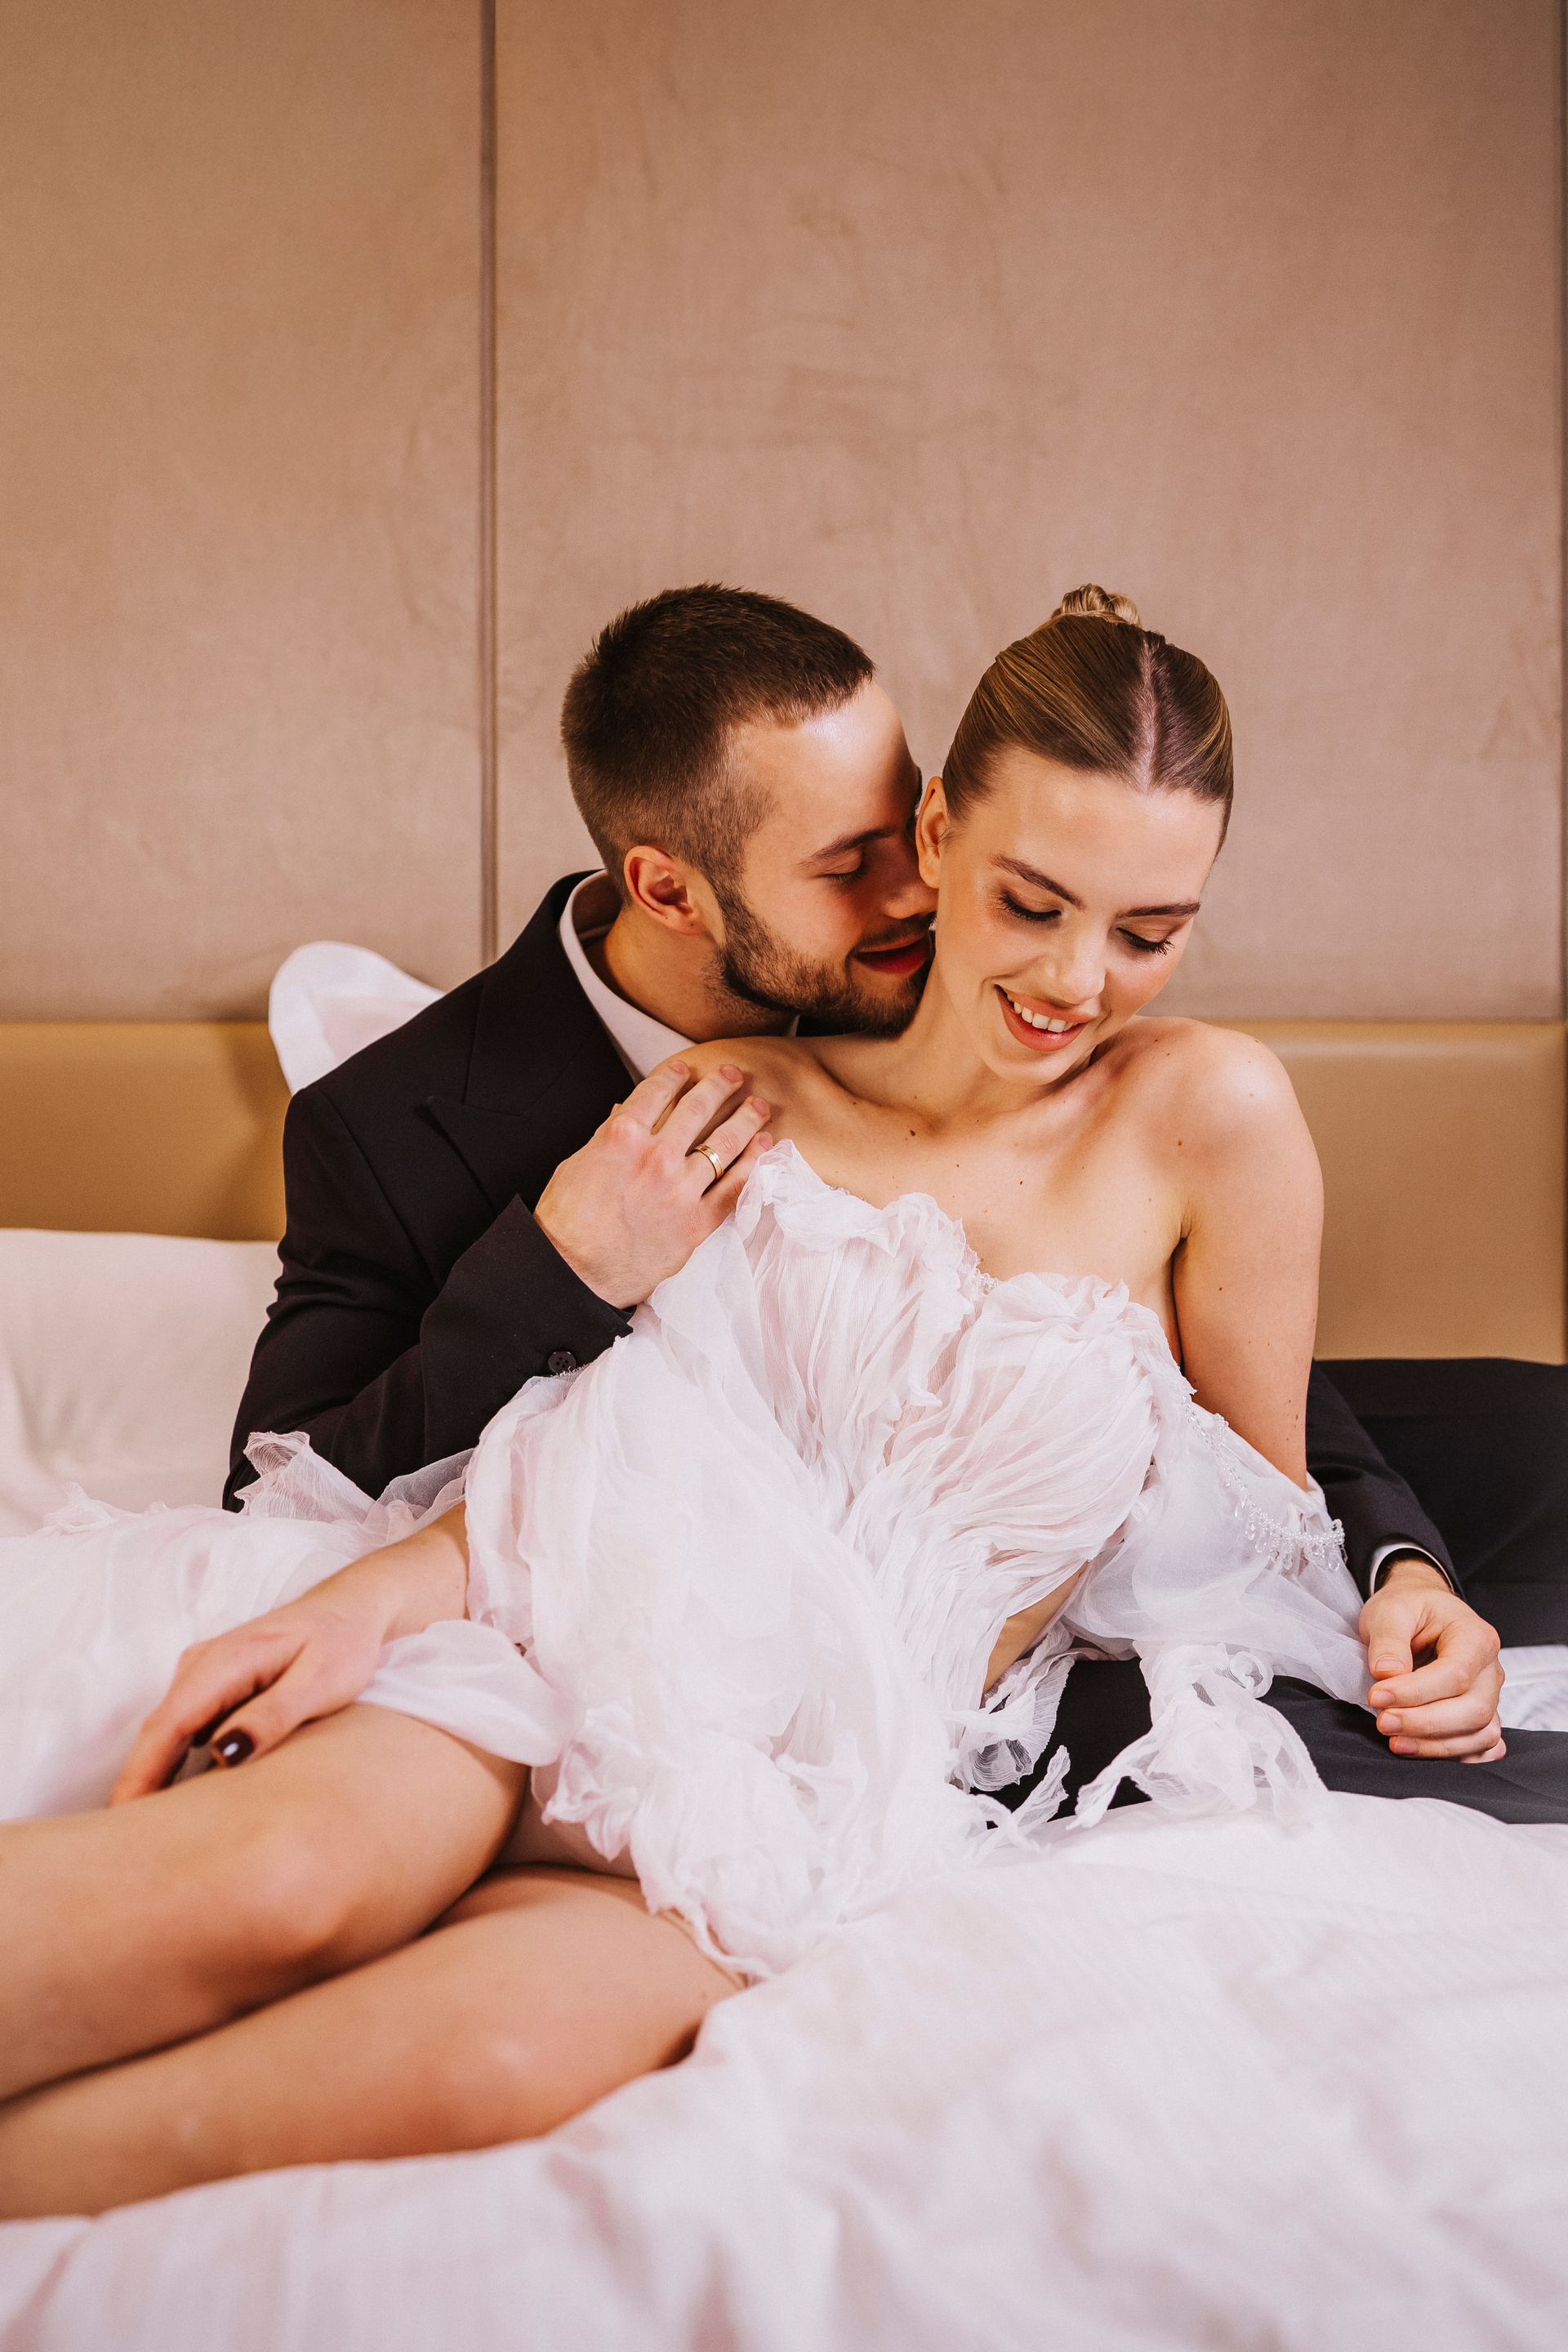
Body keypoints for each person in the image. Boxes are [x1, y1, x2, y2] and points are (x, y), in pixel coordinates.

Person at [3, 587, 1566, 2221]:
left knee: (494, 2063)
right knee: (280, 1883)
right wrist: (374, 1584)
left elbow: (1262, 1477)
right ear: (942, 839)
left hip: (812, 1798)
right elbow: (616, 1440)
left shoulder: (1206, 1114)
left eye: (1150, 931)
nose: (1074, 975)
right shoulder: (709, 1101)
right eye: (1020, 900)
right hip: (551, 1647)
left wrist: (1399, 1578)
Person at [225, 585, 1521, 1794]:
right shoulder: (386, 1123)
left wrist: (1396, 1561)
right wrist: (565, 1269)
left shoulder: (987, 991)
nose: (916, 887)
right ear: (668, 888)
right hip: (633, 1665)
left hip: (1013, 1575)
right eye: (851, 864)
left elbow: (1182, 1356)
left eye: (910, 825)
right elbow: (273, 1498)